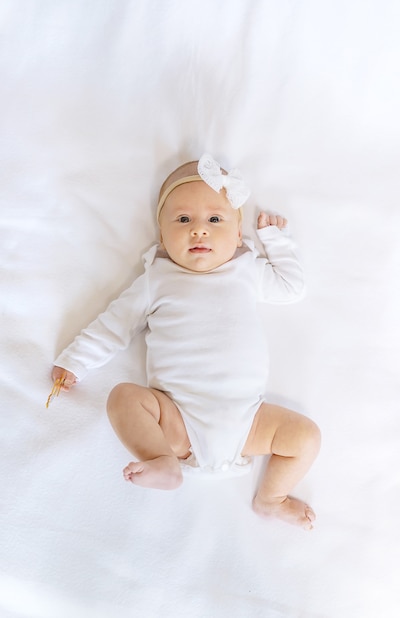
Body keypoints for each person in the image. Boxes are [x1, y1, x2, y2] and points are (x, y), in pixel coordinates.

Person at [52, 153, 321, 530]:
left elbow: (292, 287)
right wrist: (75, 360)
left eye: (215, 219)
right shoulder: (155, 280)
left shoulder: (247, 271)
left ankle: (271, 498)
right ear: (162, 234)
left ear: (237, 230)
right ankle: (159, 458)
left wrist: (275, 240)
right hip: (177, 420)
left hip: (248, 420)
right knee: (123, 397)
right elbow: (113, 325)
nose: (200, 230)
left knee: (305, 437)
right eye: (183, 220)